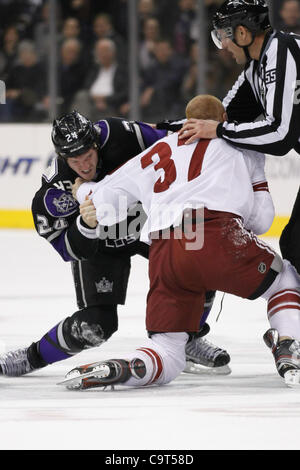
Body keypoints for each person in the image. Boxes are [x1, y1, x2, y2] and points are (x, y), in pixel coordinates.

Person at [58, 95, 300, 391]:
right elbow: (262, 220)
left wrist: (83, 190)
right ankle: (288, 342)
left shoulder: (159, 149)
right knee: (285, 278)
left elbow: (105, 201)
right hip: (213, 233)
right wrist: (253, 187)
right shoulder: (242, 144)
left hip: (165, 249)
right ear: (222, 119)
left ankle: (128, 367)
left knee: (168, 349)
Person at [0, 110, 229, 378]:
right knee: (96, 326)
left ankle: (189, 339)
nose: (84, 167)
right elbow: (69, 250)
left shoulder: (121, 135)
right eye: (75, 161)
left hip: (147, 225)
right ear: (63, 158)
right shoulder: (54, 193)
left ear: (96, 144)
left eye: (88, 156)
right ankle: (32, 356)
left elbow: (173, 140)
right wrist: (86, 225)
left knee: (200, 264)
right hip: (101, 245)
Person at [161, 0, 300, 277]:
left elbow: (280, 134)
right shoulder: (256, 68)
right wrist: (159, 129)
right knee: (295, 243)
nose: (223, 45)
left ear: (243, 33)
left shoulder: (282, 52)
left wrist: (219, 131)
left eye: (224, 35)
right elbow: (219, 118)